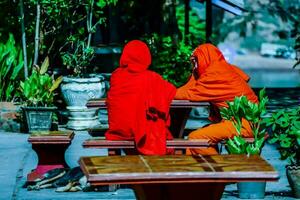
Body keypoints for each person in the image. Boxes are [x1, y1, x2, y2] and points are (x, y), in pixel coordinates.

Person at [175, 43, 258, 155]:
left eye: (195, 60)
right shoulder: (223, 68)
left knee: (195, 138)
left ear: (204, 58)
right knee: (202, 132)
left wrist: (164, 93)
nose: (194, 65)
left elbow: (191, 94)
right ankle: (202, 169)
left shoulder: (215, 73)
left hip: (242, 125)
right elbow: (191, 88)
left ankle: (219, 169)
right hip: (245, 122)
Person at [105, 40, 176, 155]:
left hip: (118, 132)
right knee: (162, 130)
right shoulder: (152, 78)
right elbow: (172, 92)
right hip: (139, 132)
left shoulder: (116, 76)